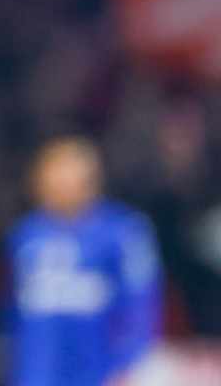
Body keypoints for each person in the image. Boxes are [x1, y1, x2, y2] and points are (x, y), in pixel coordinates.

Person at [8, 137, 162, 386]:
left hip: (98, 371)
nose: (57, 187)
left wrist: (125, 364)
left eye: (65, 179)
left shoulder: (122, 232)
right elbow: (16, 311)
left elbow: (141, 305)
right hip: (38, 372)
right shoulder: (27, 234)